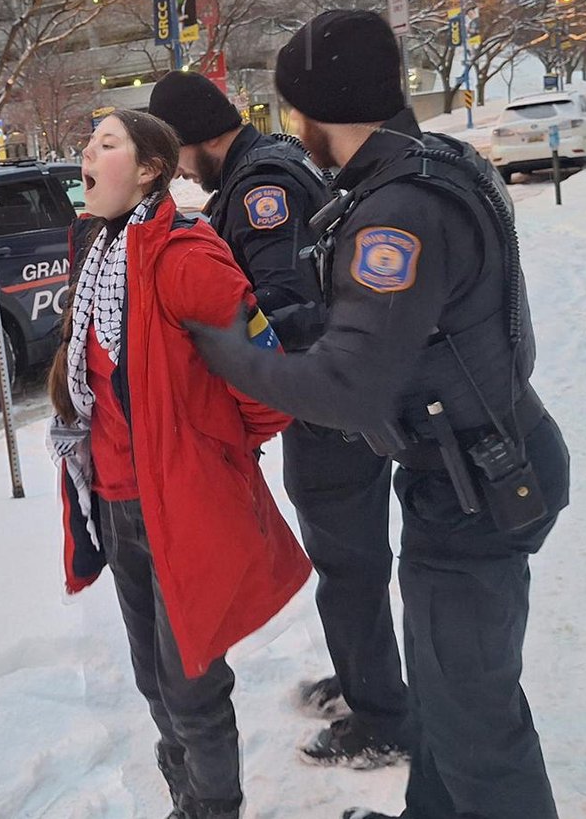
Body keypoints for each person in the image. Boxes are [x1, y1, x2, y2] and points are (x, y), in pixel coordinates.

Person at [186, 11, 571, 819]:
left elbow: (347, 389)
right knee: (441, 690)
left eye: (295, 109)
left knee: (479, 724)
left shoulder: (398, 212)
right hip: (459, 474)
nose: (292, 127)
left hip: (480, 486)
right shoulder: (426, 166)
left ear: (320, 108)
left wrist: (226, 352)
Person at [47, 108, 310, 819]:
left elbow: (266, 381)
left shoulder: (185, 254)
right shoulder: (100, 251)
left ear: (150, 169)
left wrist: (213, 455)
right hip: (116, 501)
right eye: (87, 141)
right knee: (155, 681)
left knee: (192, 684)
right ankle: (186, 802)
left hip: (181, 504)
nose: (86, 154)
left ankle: (215, 808)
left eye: (106, 143)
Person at [146, 71, 412, 769]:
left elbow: (285, 310)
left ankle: (384, 715)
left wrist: (224, 362)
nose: (178, 172)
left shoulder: (263, 188)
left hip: (326, 407)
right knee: (346, 557)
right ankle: (366, 682)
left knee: (349, 561)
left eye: (176, 155)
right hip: (329, 398)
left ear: (197, 137)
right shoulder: (270, 167)